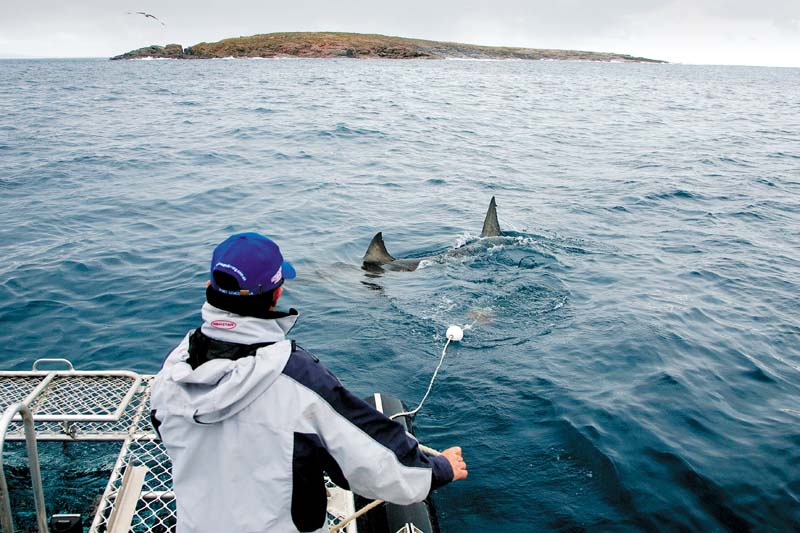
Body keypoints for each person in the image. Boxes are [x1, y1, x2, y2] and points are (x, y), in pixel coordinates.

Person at [150, 232, 467, 533]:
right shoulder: (299, 380)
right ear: (277, 293)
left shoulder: (172, 369)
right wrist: (440, 468)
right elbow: (375, 465)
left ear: (209, 286)